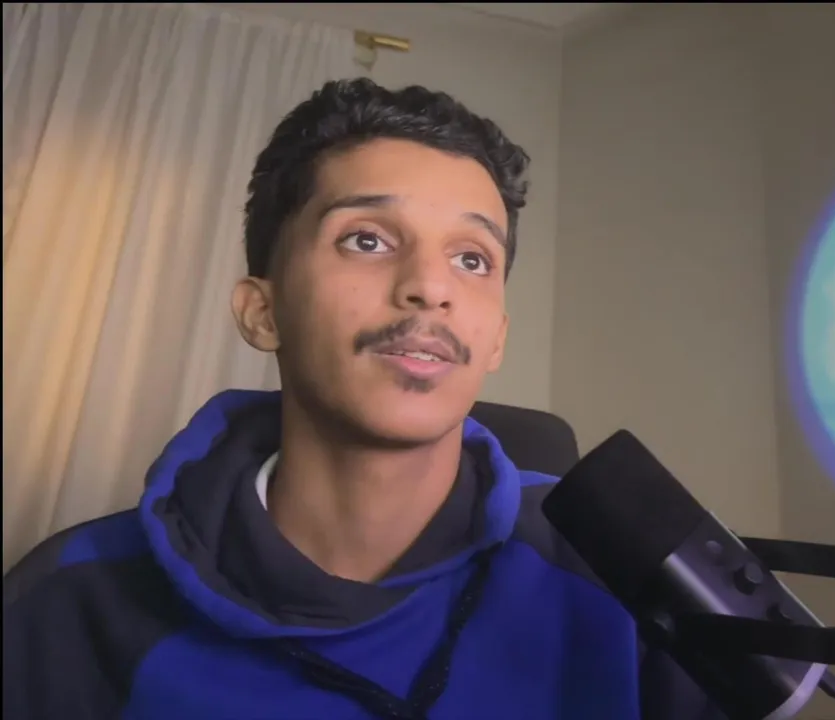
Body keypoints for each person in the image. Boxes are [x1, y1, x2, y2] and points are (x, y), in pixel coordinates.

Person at [3, 78, 724, 720]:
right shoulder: (71, 599)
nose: (431, 287)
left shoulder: (620, 575)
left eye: (471, 258)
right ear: (263, 312)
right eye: (368, 240)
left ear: (496, 338)